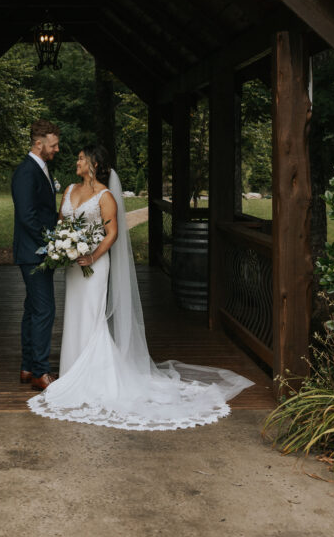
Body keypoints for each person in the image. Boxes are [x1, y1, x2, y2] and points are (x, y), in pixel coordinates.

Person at [28, 144, 254, 430]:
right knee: (74, 314)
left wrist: (92, 256)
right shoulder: (70, 189)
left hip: (94, 266)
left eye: (81, 159)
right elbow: (63, 222)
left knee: (92, 317)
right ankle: (72, 372)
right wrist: (63, 247)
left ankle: (96, 379)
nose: (77, 162)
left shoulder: (105, 196)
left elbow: (112, 233)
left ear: (94, 164)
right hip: (74, 266)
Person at [11, 119, 60, 391]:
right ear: (38, 144)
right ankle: (41, 372)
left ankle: (28, 367)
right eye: (53, 145)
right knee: (44, 311)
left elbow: (41, 211)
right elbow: (27, 217)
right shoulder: (26, 172)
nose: (56, 149)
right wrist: (52, 243)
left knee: (32, 310)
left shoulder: (40, 169)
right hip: (34, 253)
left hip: (37, 251)